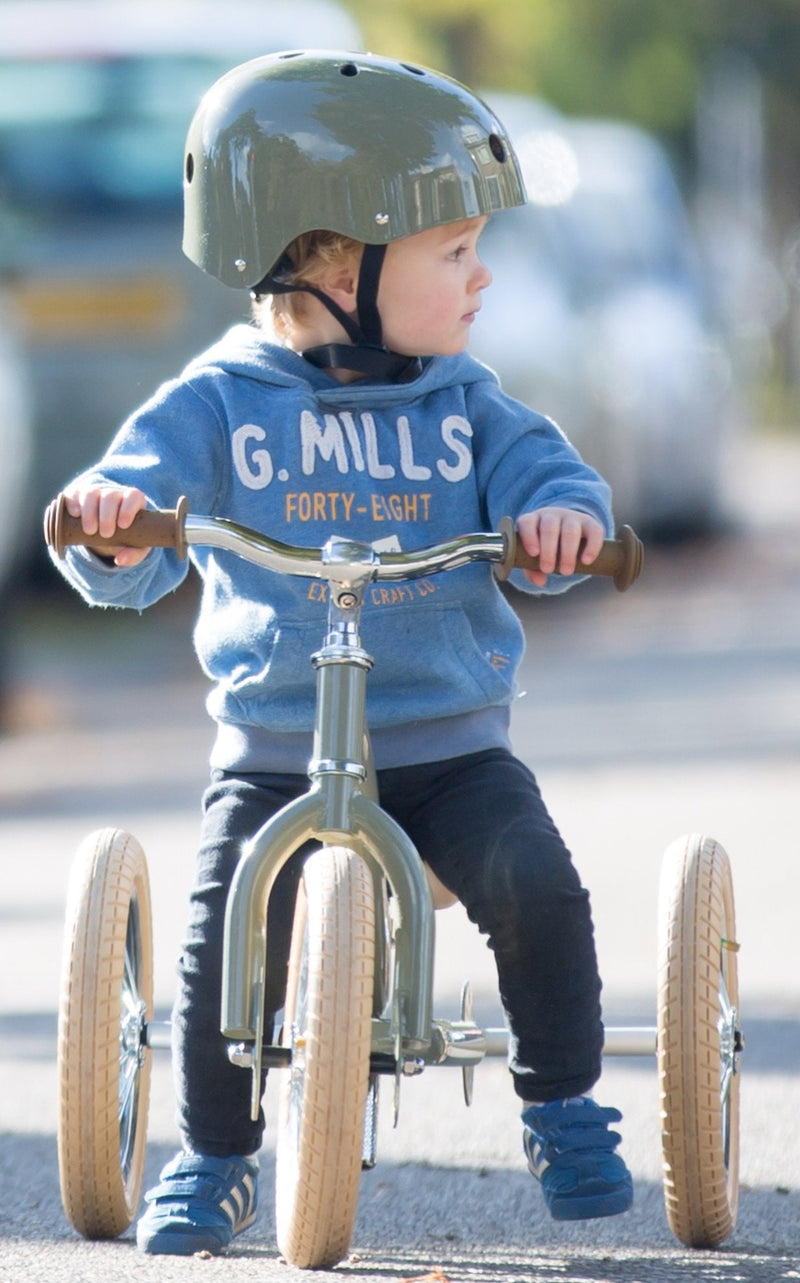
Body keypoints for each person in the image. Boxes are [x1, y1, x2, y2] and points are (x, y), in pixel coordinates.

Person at [51, 51, 633, 1256]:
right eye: (452, 252)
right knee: (221, 936)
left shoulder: (464, 402)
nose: (479, 279)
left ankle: (563, 1101)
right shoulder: (216, 403)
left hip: (445, 746)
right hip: (272, 751)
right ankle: (215, 1156)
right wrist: (109, 520)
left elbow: (546, 478)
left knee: (532, 877)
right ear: (332, 263)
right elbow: (134, 509)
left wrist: (556, 522)